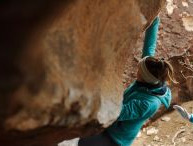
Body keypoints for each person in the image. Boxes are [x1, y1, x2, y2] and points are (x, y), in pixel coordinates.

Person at [58, 16, 176, 146]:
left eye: (139, 71)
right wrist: (155, 20)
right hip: (111, 125)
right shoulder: (152, 77)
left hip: (116, 138)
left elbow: (116, 113)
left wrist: (85, 104)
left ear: (144, 77)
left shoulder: (149, 103)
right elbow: (149, 46)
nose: (137, 69)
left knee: (85, 142)